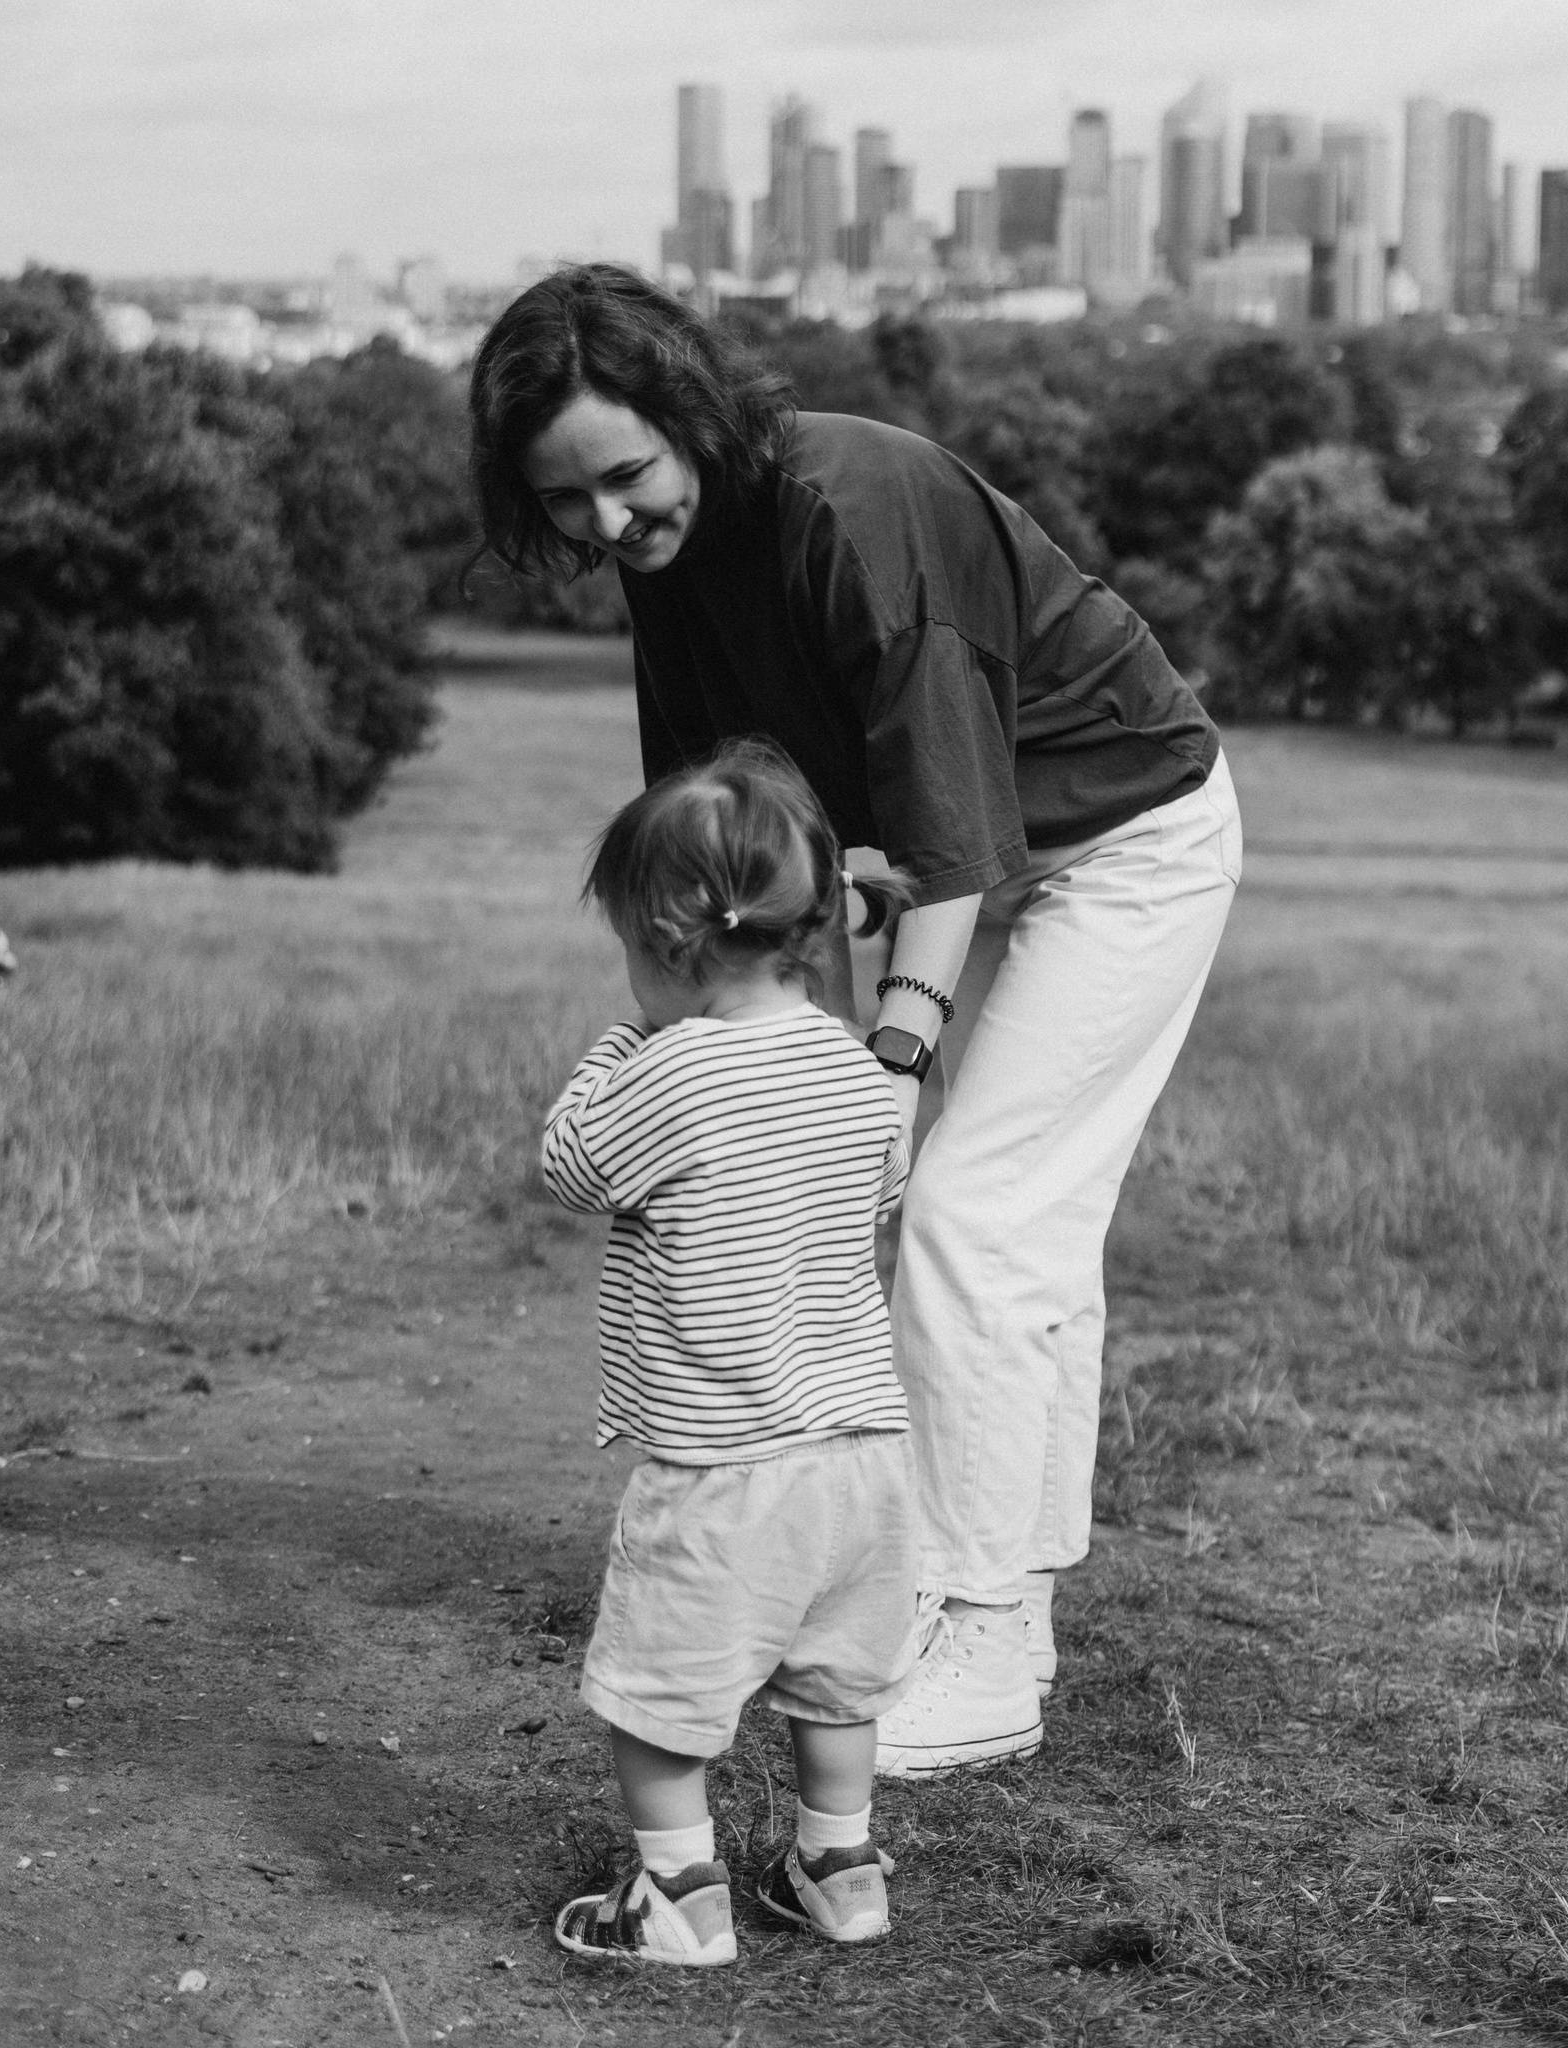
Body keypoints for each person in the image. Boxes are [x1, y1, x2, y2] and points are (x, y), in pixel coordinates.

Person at [475, 265, 1243, 1778]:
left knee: (975, 1212)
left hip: (1123, 841)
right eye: (567, 500)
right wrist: (780, 1066)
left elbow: (951, 835)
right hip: (946, 863)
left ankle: (984, 1636)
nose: (608, 524)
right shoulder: (667, 559)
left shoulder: (850, 507)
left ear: (691, 414)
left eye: (625, 476)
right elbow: (748, 851)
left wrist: (886, 1060)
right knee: (992, 1230)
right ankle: (989, 1593)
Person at [541, 742, 922, 1967]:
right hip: (861, 1456)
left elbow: (569, 1164)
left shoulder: (669, 1068)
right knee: (837, 1682)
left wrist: (620, 1042)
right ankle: (840, 1867)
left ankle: (677, 1894)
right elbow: (872, 1197)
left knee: (660, 1691)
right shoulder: (857, 1072)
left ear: (667, 941)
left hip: (724, 1462)